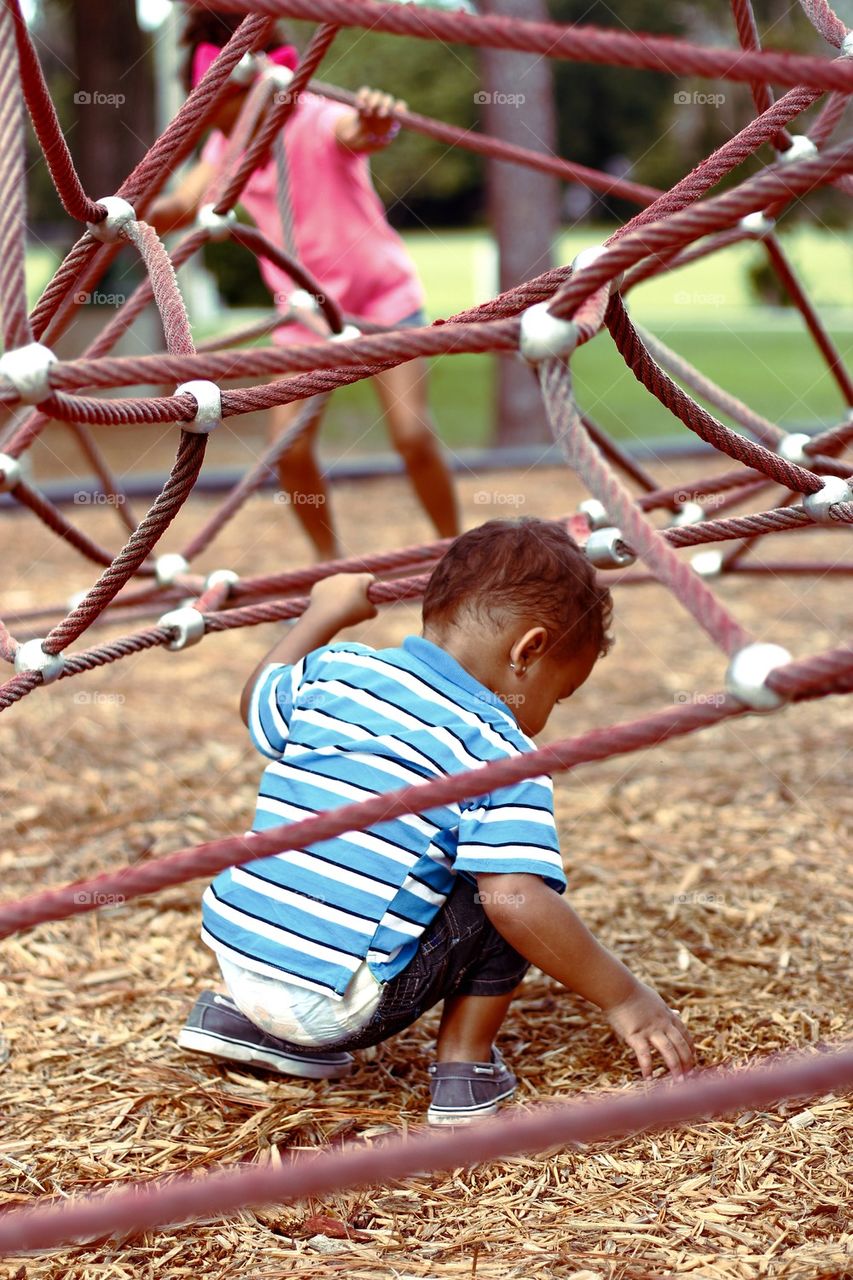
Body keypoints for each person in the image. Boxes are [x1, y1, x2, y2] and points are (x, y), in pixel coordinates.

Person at [178, 519, 696, 1125]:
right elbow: (515, 902)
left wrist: (323, 613)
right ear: (528, 652)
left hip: (239, 961)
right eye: (561, 693)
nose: (550, 716)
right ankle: (464, 1068)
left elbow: (257, 702)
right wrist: (626, 997)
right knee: (508, 887)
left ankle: (256, 1028)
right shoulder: (500, 753)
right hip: (342, 1009)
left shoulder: (340, 671)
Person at [150, 9, 460, 561]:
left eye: (212, 105)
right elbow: (180, 205)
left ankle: (454, 546)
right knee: (288, 451)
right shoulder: (230, 148)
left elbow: (360, 131)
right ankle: (328, 561)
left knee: (412, 437)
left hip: (380, 299)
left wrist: (376, 120)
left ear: (250, 90)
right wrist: (117, 213)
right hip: (306, 317)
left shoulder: (314, 118)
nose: (205, 122)